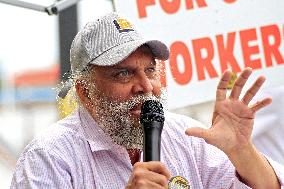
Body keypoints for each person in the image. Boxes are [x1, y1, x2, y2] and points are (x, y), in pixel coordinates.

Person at [10, 12, 284, 189]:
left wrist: (242, 152)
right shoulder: (50, 156)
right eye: (123, 73)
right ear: (85, 92)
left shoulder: (186, 135)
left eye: (150, 70)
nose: (145, 86)